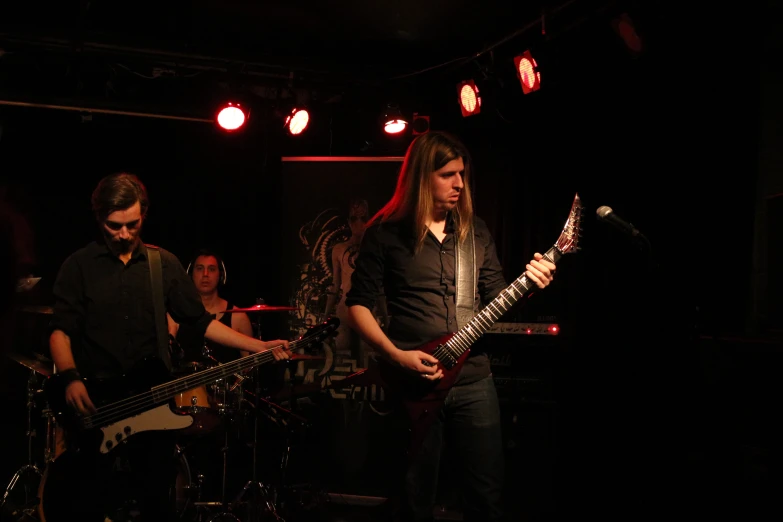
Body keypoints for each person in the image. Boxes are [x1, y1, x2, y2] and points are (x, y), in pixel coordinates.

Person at [45, 173, 290, 522]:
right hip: (99, 404)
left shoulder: (164, 265)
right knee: (89, 503)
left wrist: (261, 345)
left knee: (156, 502)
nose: (125, 234)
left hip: (152, 404)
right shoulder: (79, 266)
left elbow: (203, 323)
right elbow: (60, 331)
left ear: (143, 214)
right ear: (99, 218)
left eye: (133, 224)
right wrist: (70, 378)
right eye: (115, 226)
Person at [345, 131, 556, 522]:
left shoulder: (474, 231)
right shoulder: (385, 232)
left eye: (462, 174)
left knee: (485, 496)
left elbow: (497, 301)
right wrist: (396, 356)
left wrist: (531, 285)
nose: (460, 183)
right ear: (422, 177)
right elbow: (357, 304)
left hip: (474, 379)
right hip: (412, 380)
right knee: (413, 496)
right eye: (447, 174)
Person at [325, 199, 386, 369]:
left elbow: (379, 288)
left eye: (363, 218)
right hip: (345, 310)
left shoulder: (375, 248)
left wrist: (387, 320)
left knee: (368, 358)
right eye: (354, 219)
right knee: (342, 355)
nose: (358, 223)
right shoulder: (339, 249)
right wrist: (324, 318)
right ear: (348, 221)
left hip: (368, 309)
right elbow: (335, 286)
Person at [169, 249, 253, 365]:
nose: (205, 274)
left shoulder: (238, 317)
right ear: (190, 274)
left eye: (212, 269)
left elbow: (249, 369)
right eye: (199, 268)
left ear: (221, 275)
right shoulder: (176, 313)